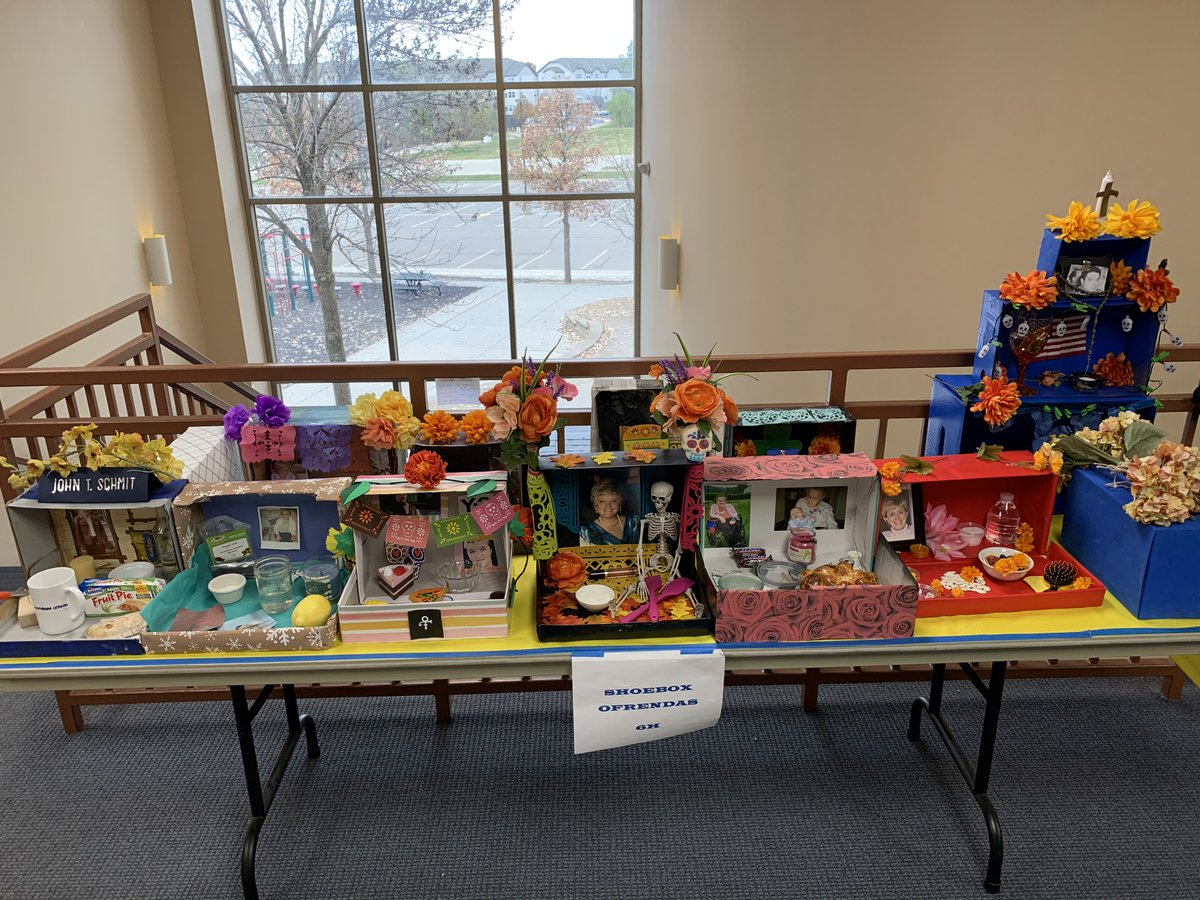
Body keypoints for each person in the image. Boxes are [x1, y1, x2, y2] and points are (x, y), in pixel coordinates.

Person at [579, 479, 641, 545]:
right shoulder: (586, 531)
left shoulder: (633, 522)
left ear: (619, 503)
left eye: (613, 501)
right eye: (602, 501)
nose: (608, 505)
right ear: (595, 505)